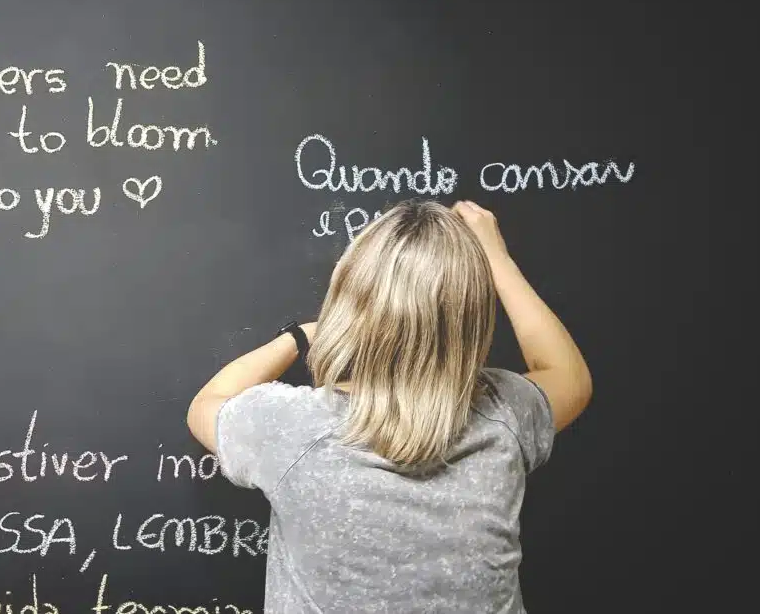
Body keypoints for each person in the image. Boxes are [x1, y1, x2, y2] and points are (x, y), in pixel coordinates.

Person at [187, 199, 592, 613]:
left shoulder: (294, 428)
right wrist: (495, 255)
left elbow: (206, 405)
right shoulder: (503, 414)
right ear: (472, 317)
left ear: (347, 301)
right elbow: (567, 374)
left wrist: (299, 337)